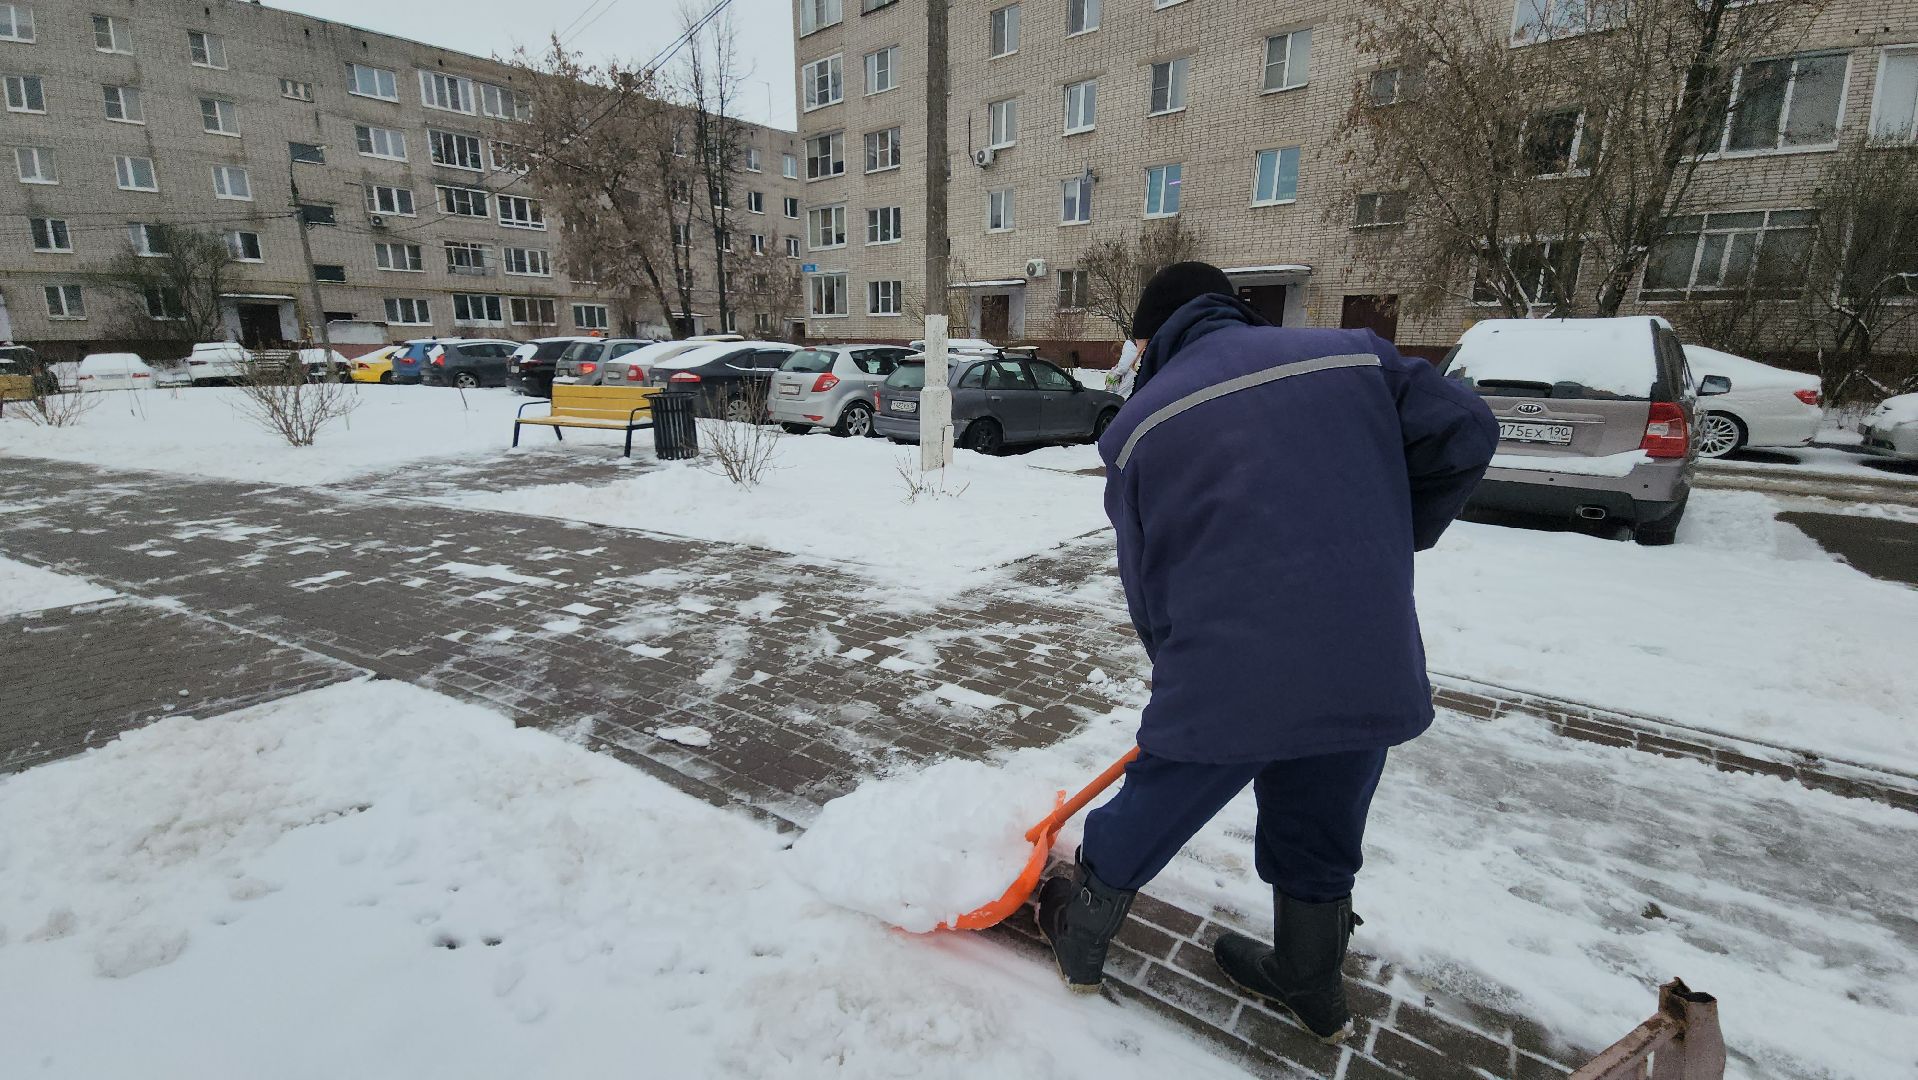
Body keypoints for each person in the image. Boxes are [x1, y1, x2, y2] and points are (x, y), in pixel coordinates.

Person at [1035, 262, 1498, 1045]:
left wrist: (1178, 675)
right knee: (1322, 811)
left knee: (1164, 793)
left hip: (1229, 665)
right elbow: (1469, 431)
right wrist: (1395, 529)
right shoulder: (1354, 355)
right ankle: (1311, 984)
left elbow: (1147, 578)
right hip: (1365, 649)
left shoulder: (1140, 424)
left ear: (1154, 336)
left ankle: (1081, 931)